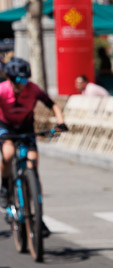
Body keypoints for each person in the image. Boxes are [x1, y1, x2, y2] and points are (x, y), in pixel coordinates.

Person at [0, 57, 68, 234]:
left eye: (25, 80)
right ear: (9, 78)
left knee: (33, 163)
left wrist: (61, 122)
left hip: (26, 126)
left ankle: (37, 212)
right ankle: (5, 188)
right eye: (18, 81)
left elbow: (52, 105)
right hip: (5, 126)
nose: (22, 85)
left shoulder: (33, 90)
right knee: (7, 154)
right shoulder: (2, 90)